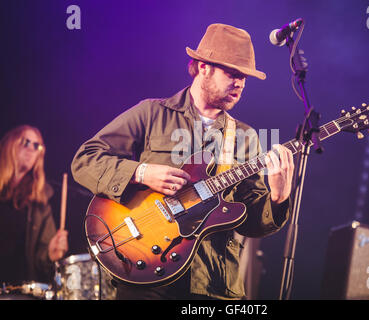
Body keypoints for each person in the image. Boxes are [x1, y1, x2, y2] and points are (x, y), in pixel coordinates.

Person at [71, 23, 294, 300]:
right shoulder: (151, 113)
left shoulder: (246, 137)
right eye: (232, 73)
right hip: (145, 275)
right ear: (203, 67)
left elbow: (250, 222)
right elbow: (85, 159)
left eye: (244, 78)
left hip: (213, 283)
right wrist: (141, 172)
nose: (239, 83)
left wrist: (278, 197)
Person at [0, 125, 68, 288]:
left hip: (17, 290)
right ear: (10, 144)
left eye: (37, 145)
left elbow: (40, 259)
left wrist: (50, 254)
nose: (31, 149)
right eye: (26, 142)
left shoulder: (40, 203)